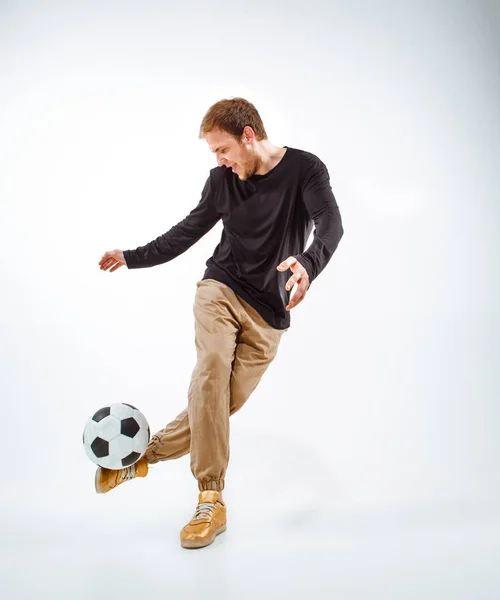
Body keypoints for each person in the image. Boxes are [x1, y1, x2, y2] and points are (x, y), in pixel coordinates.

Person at [96, 97, 344, 549]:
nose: (220, 161)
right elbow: (185, 233)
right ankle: (210, 499)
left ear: (249, 136)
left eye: (222, 150)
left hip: (269, 315)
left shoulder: (306, 170)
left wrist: (309, 262)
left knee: (219, 406)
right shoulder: (221, 183)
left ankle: (138, 457)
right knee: (210, 369)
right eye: (214, 154)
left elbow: (331, 223)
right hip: (221, 289)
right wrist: (131, 257)